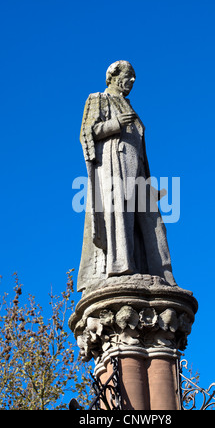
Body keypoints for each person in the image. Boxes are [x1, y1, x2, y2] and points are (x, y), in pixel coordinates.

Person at [77, 60, 176, 292]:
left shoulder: (130, 107)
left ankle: (163, 275)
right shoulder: (98, 99)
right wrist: (114, 124)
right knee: (119, 215)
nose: (131, 81)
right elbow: (86, 133)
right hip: (113, 163)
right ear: (112, 75)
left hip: (137, 173)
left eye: (134, 78)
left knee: (154, 223)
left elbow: (141, 150)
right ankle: (121, 267)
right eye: (128, 76)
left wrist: (148, 185)